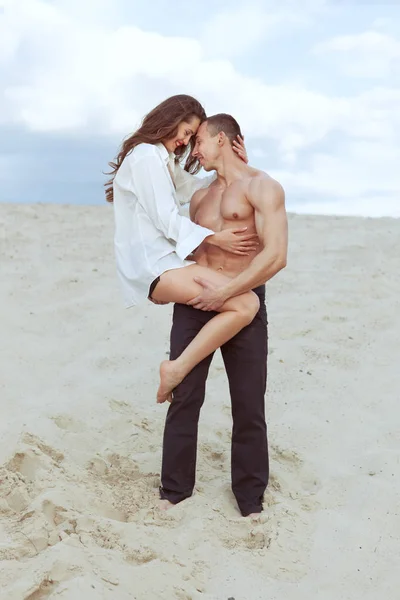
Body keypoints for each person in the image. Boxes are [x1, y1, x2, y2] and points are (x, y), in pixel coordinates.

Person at [158, 113, 288, 518]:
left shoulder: (262, 187)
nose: (194, 150)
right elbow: (189, 251)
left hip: (241, 301)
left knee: (248, 403)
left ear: (222, 139)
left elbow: (276, 255)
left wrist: (228, 292)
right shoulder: (200, 196)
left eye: (199, 141)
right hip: (196, 303)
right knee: (185, 397)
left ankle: (249, 500)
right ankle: (174, 492)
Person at [106, 94, 261, 403]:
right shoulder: (146, 156)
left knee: (243, 303)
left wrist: (239, 164)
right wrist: (214, 239)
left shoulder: (161, 162)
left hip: (164, 264)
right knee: (247, 304)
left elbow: (200, 187)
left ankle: (179, 368)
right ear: (169, 118)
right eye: (186, 132)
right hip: (157, 265)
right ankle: (176, 369)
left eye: (192, 137)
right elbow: (166, 219)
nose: (185, 141)